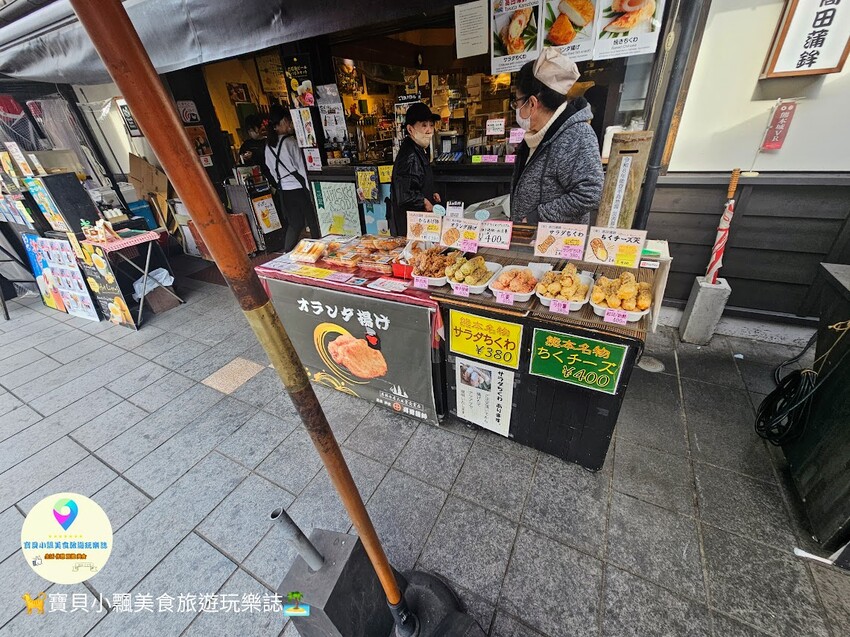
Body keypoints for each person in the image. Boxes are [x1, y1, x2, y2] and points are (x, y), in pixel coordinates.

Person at [510, 48, 603, 225]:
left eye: (517, 101)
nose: (516, 108)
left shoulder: (577, 134)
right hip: (530, 239)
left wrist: (536, 218)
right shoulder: (535, 134)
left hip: (555, 243)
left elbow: (590, 193)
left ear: (532, 103)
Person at [390, 102, 441, 236]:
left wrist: (430, 193)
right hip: (411, 226)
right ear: (410, 129)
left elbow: (416, 181)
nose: (429, 130)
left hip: (418, 222)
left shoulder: (417, 149)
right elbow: (405, 195)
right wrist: (423, 200)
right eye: (424, 125)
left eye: (431, 125)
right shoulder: (410, 156)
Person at [265, 107, 311, 251]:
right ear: (284, 121)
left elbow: (271, 170)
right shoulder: (291, 142)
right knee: (313, 222)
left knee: (295, 224)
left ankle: (287, 252)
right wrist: (310, 190)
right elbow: (302, 168)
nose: (290, 124)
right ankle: (318, 253)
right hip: (299, 188)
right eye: (288, 121)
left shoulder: (268, 146)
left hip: (284, 191)